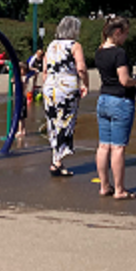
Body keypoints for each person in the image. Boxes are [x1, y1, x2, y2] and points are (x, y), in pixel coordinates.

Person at [94, 17, 136, 199]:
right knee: (118, 148)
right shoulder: (119, 53)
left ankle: (104, 185)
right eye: (125, 34)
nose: (126, 38)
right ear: (117, 33)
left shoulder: (99, 52)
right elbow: (124, 80)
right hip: (120, 101)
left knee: (104, 145)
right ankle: (119, 189)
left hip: (104, 99)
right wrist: (135, 80)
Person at [43, 16, 89, 177]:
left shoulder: (51, 45)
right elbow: (81, 68)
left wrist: (47, 84)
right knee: (66, 121)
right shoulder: (75, 46)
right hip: (66, 86)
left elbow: (45, 69)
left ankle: (56, 159)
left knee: (53, 121)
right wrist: (85, 84)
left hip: (50, 85)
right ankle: (58, 160)